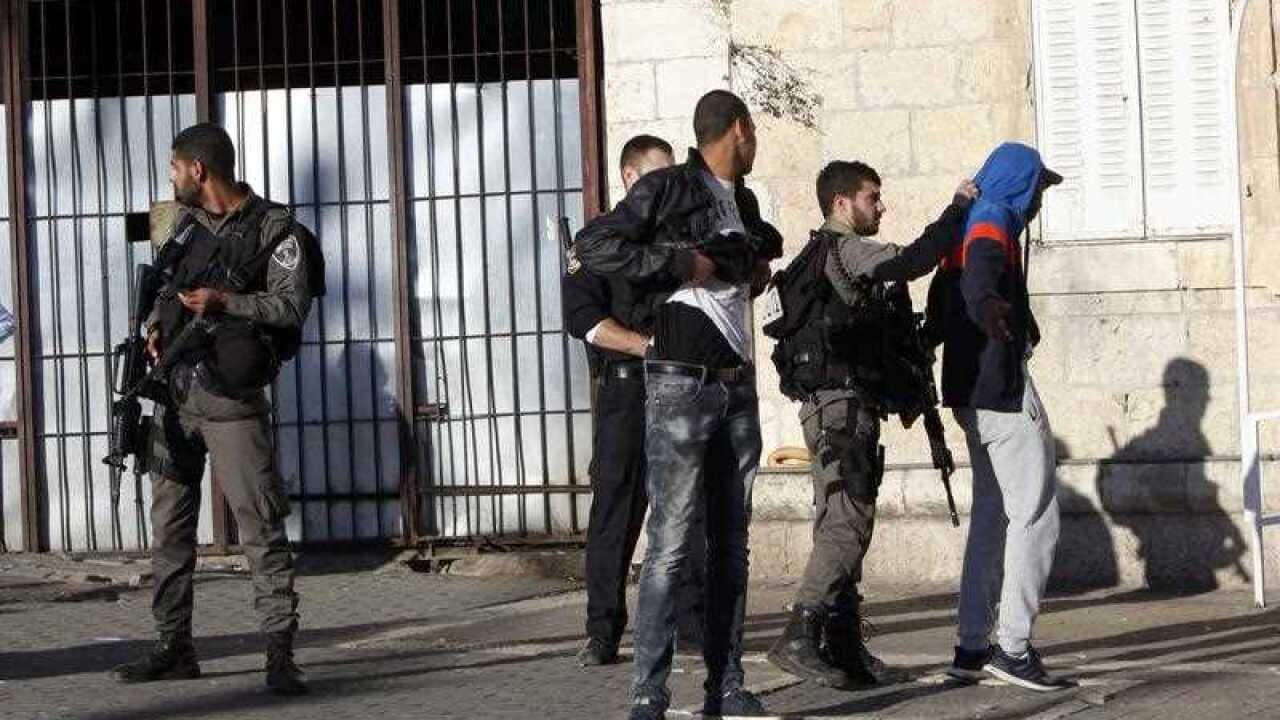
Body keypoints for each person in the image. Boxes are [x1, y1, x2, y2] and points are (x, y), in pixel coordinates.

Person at [574, 89, 782, 720]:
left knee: (732, 544)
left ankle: (726, 686)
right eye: (755, 132)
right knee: (668, 541)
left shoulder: (741, 201)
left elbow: (751, 257)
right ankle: (648, 693)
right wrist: (680, 263)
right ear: (738, 130)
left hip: (735, 381)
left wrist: (753, 269)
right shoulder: (667, 188)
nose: (757, 143)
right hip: (679, 380)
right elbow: (594, 245)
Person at [110, 123, 322, 696]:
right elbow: (164, 291)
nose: (171, 178)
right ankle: (173, 646)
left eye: (175, 168)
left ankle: (279, 654)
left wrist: (226, 301)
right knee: (169, 528)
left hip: (232, 401)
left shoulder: (276, 230)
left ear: (199, 171)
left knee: (259, 525)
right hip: (174, 397)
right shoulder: (182, 229)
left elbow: (290, 305)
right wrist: (156, 328)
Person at [765, 161, 977, 689]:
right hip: (841, 411)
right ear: (842, 204)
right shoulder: (847, 249)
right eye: (872, 198)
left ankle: (843, 647)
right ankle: (798, 634)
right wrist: (959, 208)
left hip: (835, 408)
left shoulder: (820, 256)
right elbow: (913, 260)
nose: (880, 207)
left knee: (842, 523)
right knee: (846, 524)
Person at [931, 142, 1072, 692]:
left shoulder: (969, 220)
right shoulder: (992, 221)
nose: (1039, 200)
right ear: (1018, 182)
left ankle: (972, 646)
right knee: (1036, 514)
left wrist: (1015, 315)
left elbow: (944, 301)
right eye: (1038, 187)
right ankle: (1014, 648)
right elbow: (978, 284)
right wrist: (992, 310)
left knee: (991, 514)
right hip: (1001, 388)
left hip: (966, 391)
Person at [564, 134, 704, 666]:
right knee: (616, 514)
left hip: (681, 387)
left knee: (687, 509)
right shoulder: (598, 242)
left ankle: (690, 625)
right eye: (656, 177)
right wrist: (647, 346)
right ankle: (602, 632)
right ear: (629, 177)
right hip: (628, 390)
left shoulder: (677, 242)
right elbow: (585, 322)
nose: (667, 189)